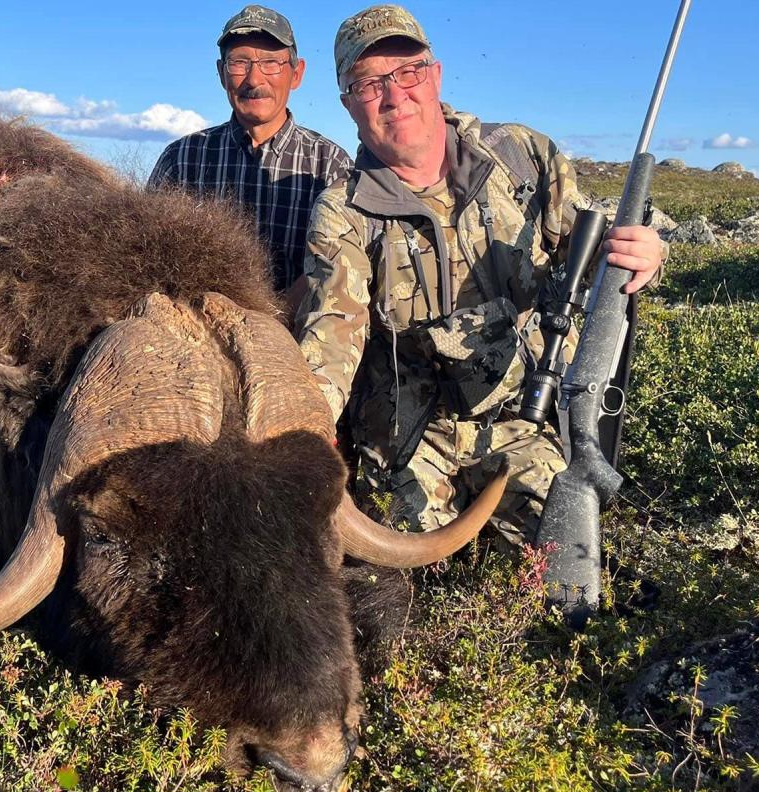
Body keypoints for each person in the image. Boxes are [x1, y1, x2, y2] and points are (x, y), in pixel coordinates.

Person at [295, 4, 667, 546]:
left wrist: (644, 257)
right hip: (410, 434)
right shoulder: (342, 211)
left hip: (525, 417)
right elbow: (330, 338)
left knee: (574, 564)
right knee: (393, 579)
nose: (395, 94)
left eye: (408, 71)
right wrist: (301, 436)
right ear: (348, 102)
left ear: (436, 74)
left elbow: (595, 264)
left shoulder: (523, 157)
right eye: (369, 83)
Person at [147, 5, 354, 297]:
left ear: (297, 74)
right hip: (192, 335)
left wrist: (276, 320)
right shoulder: (181, 160)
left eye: (271, 63)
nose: (254, 80)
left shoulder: (332, 166)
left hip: (298, 337)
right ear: (221, 74)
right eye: (239, 63)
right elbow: (146, 259)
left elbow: (337, 271)